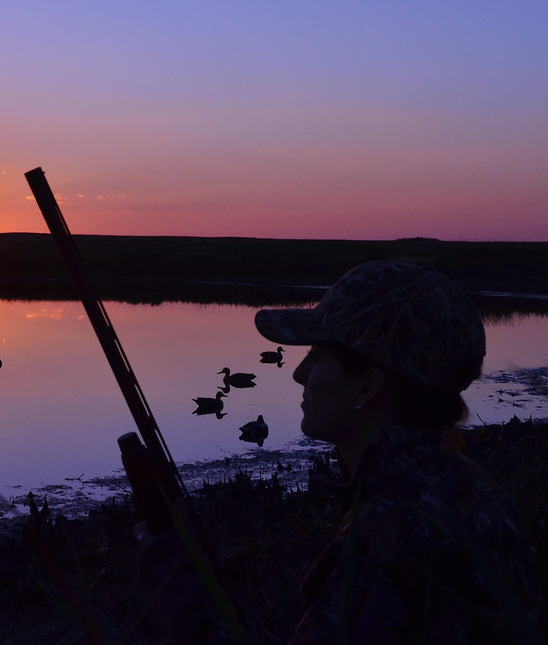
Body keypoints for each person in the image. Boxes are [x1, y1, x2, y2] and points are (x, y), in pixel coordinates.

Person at [137, 260, 540, 643]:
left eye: (316, 356)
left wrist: (177, 581)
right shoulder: (475, 490)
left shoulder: (384, 537)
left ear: (367, 386)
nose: (299, 373)